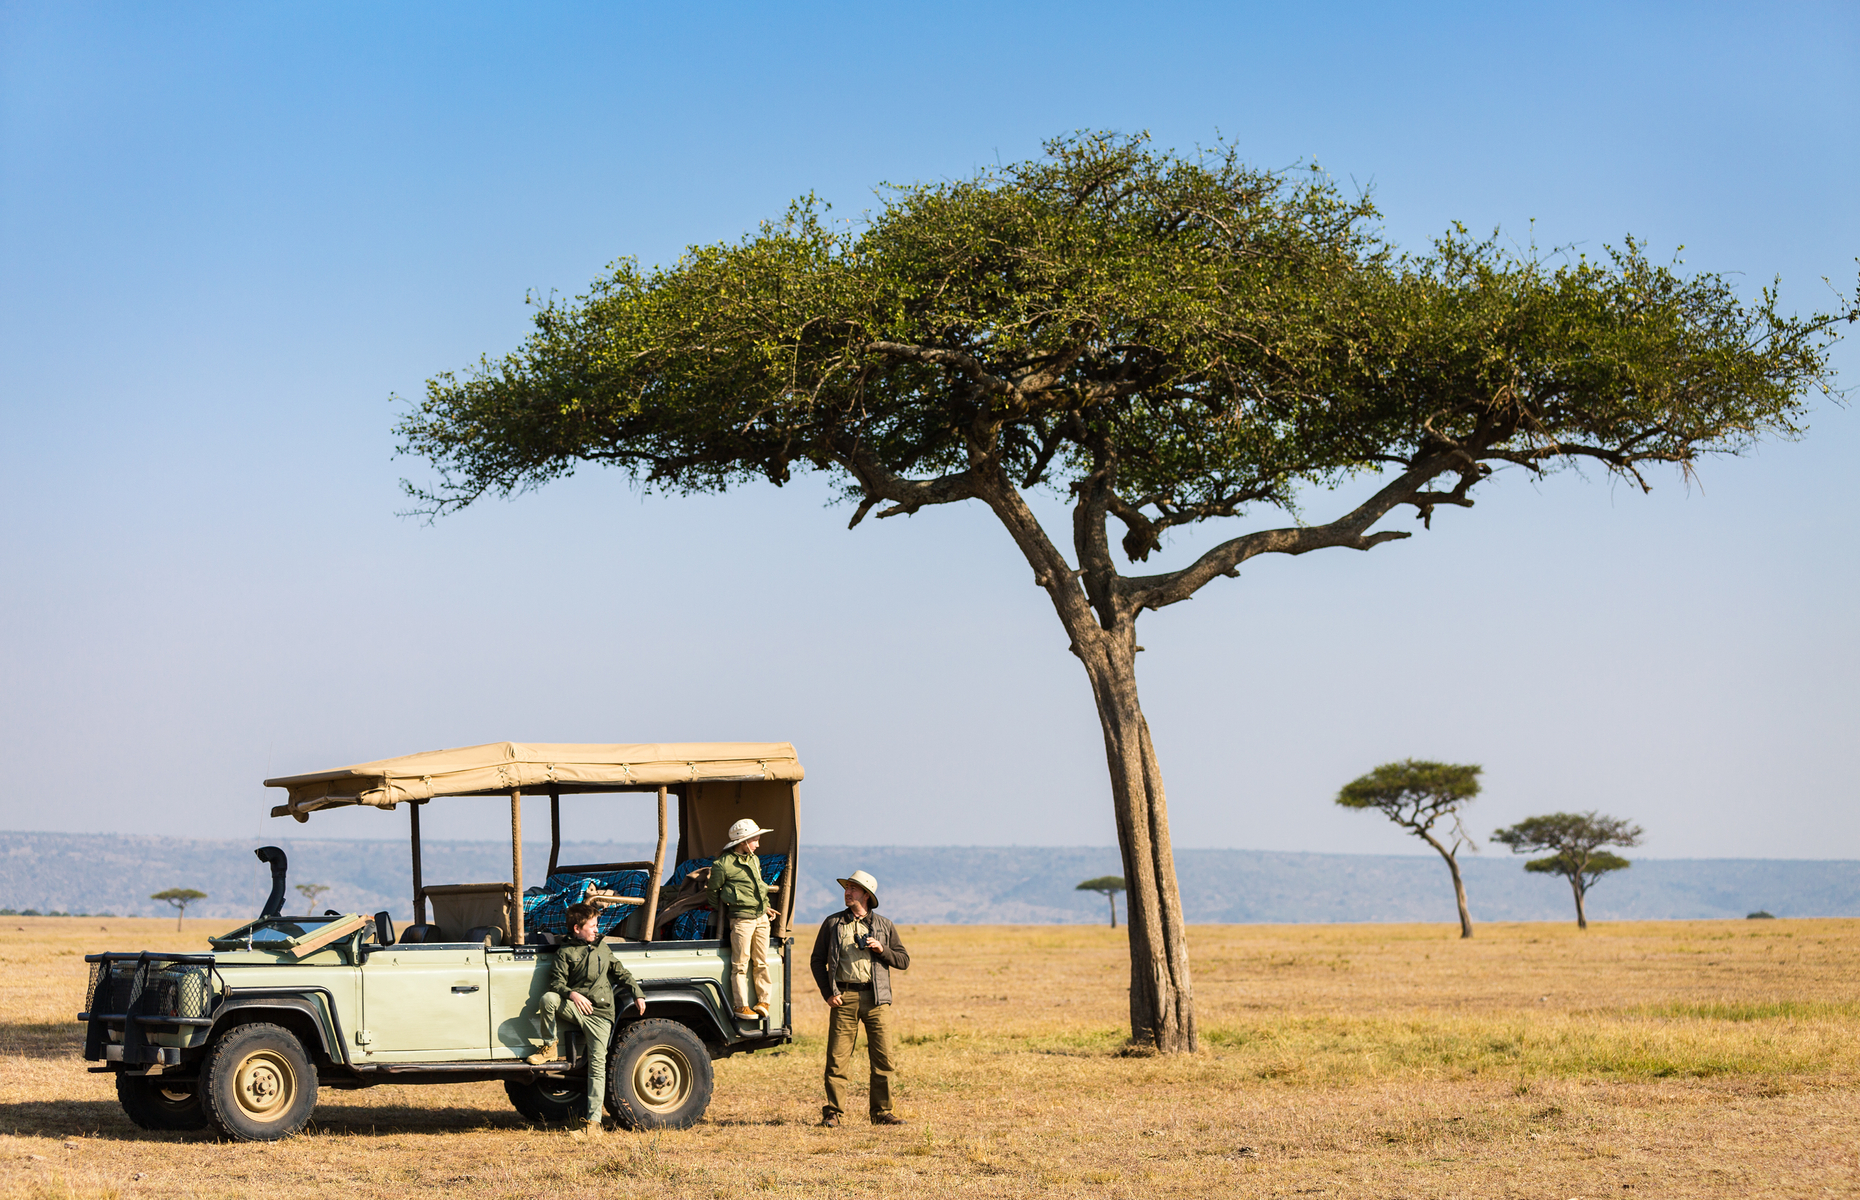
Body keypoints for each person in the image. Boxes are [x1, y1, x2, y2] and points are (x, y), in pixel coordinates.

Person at [526, 901, 647, 1136]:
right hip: (577, 1009)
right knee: (549, 999)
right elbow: (555, 983)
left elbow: (620, 972)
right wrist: (572, 994)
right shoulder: (565, 952)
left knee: (597, 1067)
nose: (596, 929)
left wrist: (637, 994)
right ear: (576, 929)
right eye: (592, 925)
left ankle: (593, 1126)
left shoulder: (603, 947)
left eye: (596, 924)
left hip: (601, 1015)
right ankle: (549, 1047)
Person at [810, 868, 909, 1127]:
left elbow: (903, 960)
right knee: (837, 1059)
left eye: (852, 888)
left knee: (883, 1058)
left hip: (877, 999)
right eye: (846, 888)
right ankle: (833, 1113)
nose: (847, 892)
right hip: (843, 997)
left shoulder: (884, 925)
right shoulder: (833, 923)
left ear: (866, 894)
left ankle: (882, 1113)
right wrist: (828, 993)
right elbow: (817, 960)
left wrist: (881, 949)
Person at [708, 817, 778, 1020]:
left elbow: (758, 887)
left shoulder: (754, 860)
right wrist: (725, 908)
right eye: (755, 839)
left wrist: (766, 908)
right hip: (741, 919)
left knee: (761, 961)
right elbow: (713, 891)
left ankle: (764, 1001)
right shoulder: (722, 864)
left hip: (761, 917)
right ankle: (741, 1006)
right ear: (743, 841)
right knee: (740, 964)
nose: (758, 843)